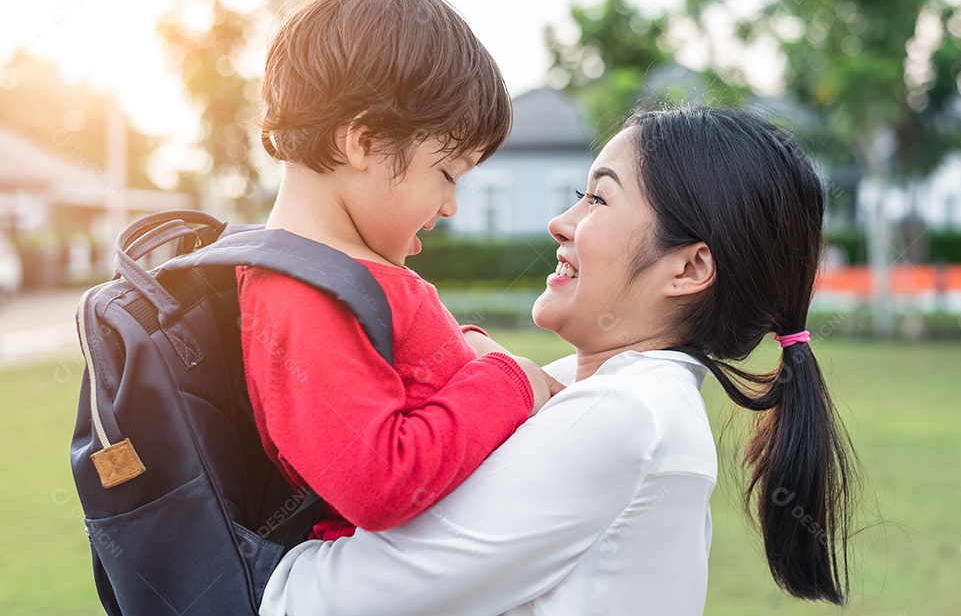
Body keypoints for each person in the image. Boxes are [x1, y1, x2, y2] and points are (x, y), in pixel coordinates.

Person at [258, 107, 857, 615]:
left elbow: (332, 603)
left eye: (599, 197)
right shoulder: (589, 389)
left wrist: (229, 546)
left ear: (689, 268)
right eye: (580, 195)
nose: (561, 223)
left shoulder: (628, 415)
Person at [238, 0, 562, 541]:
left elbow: (408, 370)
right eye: (446, 174)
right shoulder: (301, 293)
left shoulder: (347, 278)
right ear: (363, 143)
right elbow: (379, 480)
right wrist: (511, 382)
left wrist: (471, 349)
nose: (450, 206)